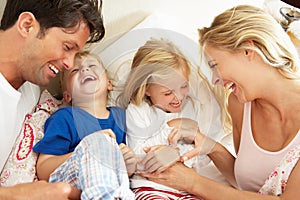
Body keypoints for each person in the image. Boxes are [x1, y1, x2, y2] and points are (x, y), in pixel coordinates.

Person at [141, 4, 300, 199]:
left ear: (248, 50)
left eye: (215, 65)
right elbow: (248, 185)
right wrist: (211, 147)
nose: (215, 80)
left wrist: (193, 182)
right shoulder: (240, 105)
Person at [0, 0, 105, 198]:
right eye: (67, 47)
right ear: (27, 25)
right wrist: (14, 195)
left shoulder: (31, 86)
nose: (69, 63)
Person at [117, 38, 225, 199]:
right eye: (167, 93)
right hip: (150, 186)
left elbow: (199, 154)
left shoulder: (192, 107)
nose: (179, 97)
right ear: (146, 89)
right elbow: (137, 156)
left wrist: (177, 154)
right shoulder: (138, 111)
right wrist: (170, 128)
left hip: (186, 188)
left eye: (183, 86)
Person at [33, 51, 135, 199]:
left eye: (92, 65)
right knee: (99, 142)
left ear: (109, 84)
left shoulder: (123, 117)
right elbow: (44, 169)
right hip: (74, 184)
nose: (85, 70)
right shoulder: (65, 118)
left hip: (117, 186)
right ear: (67, 95)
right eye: (75, 70)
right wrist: (89, 147)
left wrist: (129, 164)